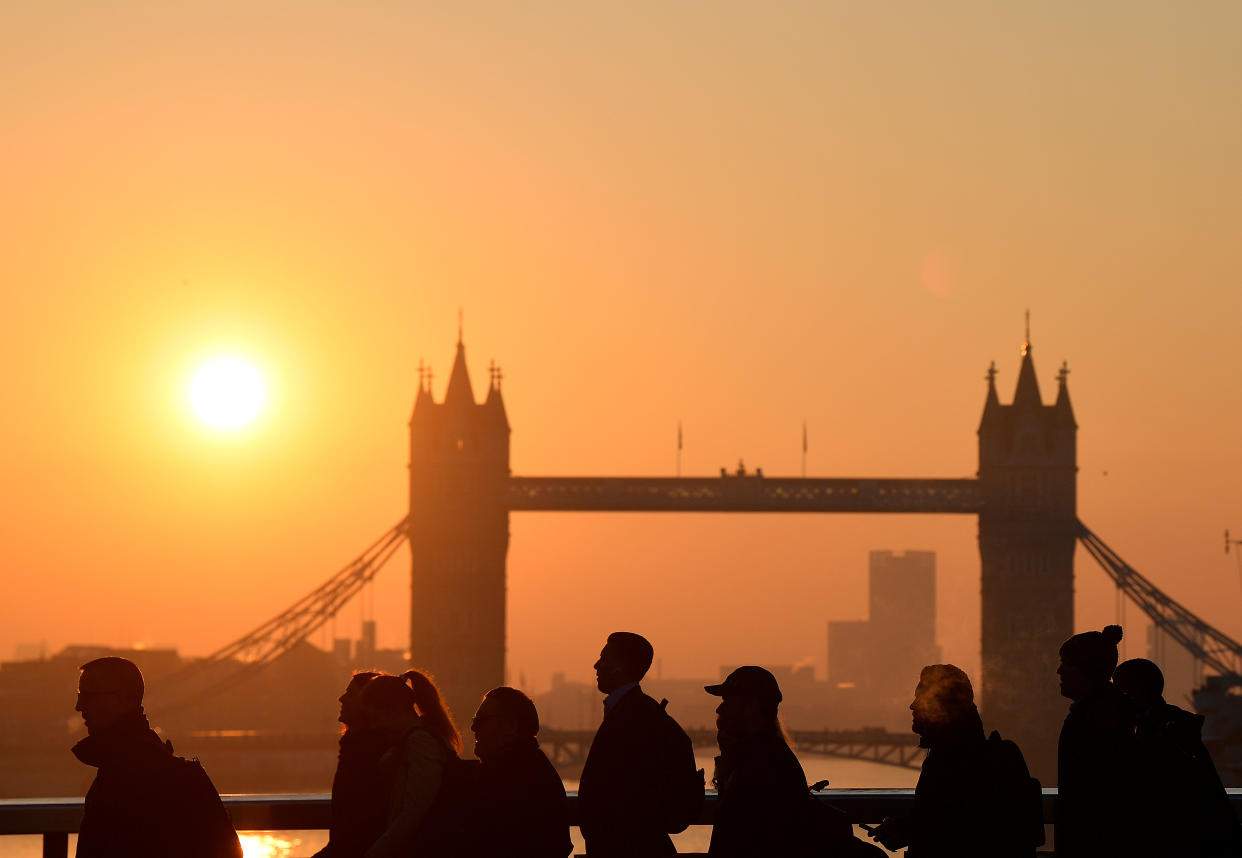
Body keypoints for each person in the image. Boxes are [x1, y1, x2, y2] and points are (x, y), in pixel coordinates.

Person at [72, 656, 243, 858]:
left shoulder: (117, 780)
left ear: (122, 700)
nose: (79, 706)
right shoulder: (186, 778)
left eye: (89, 696)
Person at [868, 664, 1042, 858]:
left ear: (944, 708)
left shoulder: (948, 763)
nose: (913, 705)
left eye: (921, 698)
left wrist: (904, 830)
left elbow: (949, 830)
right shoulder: (999, 757)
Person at [706, 665, 860, 858]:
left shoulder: (759, 767)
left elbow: (740, 840)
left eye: (728, 700)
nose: (720, 708)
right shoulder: (769, 757)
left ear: (751, 707)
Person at [578, 632, 700, 857]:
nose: (596, 665)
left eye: (604, 658)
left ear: (621, 666)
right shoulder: (650, 716)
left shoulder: (632, 719)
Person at [1112, 658, 1242, 857]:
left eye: (1119, 690)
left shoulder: (1164, 729)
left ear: (1135, 691)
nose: (1115, 698)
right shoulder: (1175, 723)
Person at [1055, 625, 1137, 858]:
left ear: (1085, 670)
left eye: (1066, 664)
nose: (1059, 671)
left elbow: (1083, 798)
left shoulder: (1088, 721)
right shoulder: (1116, 713)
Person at [362, 670, 462, 858]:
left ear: (396, 709)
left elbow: (415, 811)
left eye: (376, 718)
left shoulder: (420, 742)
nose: (374, 727)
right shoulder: (418, 740)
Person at [465, 686, 571, 858]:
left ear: (510, 726)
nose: (473, 727)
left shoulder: (507, 777)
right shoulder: (534, 768)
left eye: (481, 720)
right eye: (474, 719)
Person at [313, 671, 390, 858]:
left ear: (369, 705)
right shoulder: (358, 748)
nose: (341, 699)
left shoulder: (365, 753)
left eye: (350, 694)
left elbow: (355, 829)